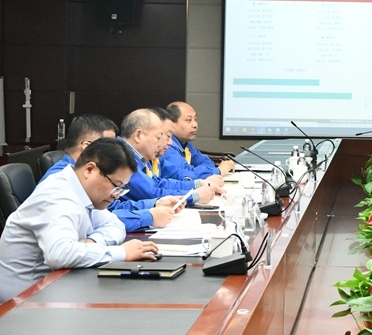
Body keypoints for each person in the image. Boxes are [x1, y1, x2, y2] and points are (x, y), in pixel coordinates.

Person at [0, 138, 161, 302]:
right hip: (22, 301)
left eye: (121, 189)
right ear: (90, 169)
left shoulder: (83, 192)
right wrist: (122, 252)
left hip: (55, 287)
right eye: (116, 185)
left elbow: (115, 224)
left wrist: (92, 243)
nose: (116, 195)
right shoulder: (57, 196)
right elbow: (60, 255)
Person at [39, 113, 185, 231]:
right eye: (109, 145)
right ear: (87, 147)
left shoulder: (85, 173)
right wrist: (147, 216)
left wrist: (154, 204)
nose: (116, 150)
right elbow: (94, 222)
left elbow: (111, 209)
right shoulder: (61, 179)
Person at [117, 109, 220, 206]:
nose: (164, 143)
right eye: (158, 137)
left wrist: (197, 184)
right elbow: (151, 193)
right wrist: (194, 196)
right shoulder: (120, 157)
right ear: (138, 135)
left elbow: (157, 183)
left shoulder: (139, 155)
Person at [161, 101, 236, 181]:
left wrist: (203, 172)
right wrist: (218, 171)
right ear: (171, 123)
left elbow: (205, 161)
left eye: (195, 119)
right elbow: (185, 173)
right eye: (189, 120)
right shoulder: (166, 147)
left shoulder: (185, 144)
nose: (195, 125)